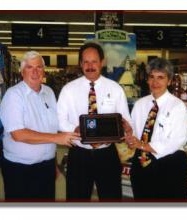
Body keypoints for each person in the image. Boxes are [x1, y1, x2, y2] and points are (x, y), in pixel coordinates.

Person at [0, 51, 80, 201]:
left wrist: (54, 163)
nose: (35, 72)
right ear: (22, 71)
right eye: (30, 67)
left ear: (44, 70)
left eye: (39, 67)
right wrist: (57, 138)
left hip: (46, 167)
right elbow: (18, 134)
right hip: (20, 169)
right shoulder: (13, 95)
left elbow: (50, 129)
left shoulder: (49, 92)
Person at [57, 42, 132, 201]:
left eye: (94, 61)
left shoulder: (115, 89)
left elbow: (125, 118)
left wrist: (125, 127)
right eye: (85, 62)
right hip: (79, 155)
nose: (90, 66)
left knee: (111, 200)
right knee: (77, 200)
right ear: (80, 64)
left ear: (102, 62)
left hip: (107, 155)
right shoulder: (68, 90)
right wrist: (77, 129)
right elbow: (60, 121)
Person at [125, 58, 187, 201]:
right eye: (152, 77)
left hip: (169, 166)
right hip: (141, 165)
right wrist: (130, 139)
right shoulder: (140, 104)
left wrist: (143, 145)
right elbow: (135, 133)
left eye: (161, 77)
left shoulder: (177, 106)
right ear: (147, 80)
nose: (155, 82)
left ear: (170, 81)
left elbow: (177, 140)